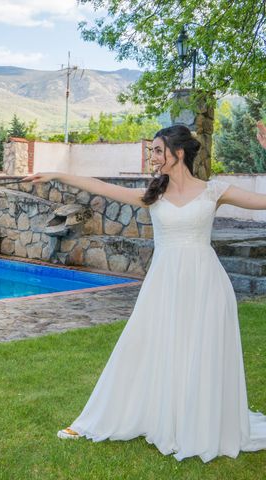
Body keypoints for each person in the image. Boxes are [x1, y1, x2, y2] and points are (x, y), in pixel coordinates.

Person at [24, 124, 266, 462]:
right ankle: (100, 418)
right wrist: (57, 175)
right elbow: (101, 187)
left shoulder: (215, 191)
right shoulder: (154, 195)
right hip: (163, 284)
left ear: (178, 153)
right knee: (140, 346)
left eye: (156, 150)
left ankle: (198, 423)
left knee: (200, 350)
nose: (151, 156)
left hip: (206, 284)